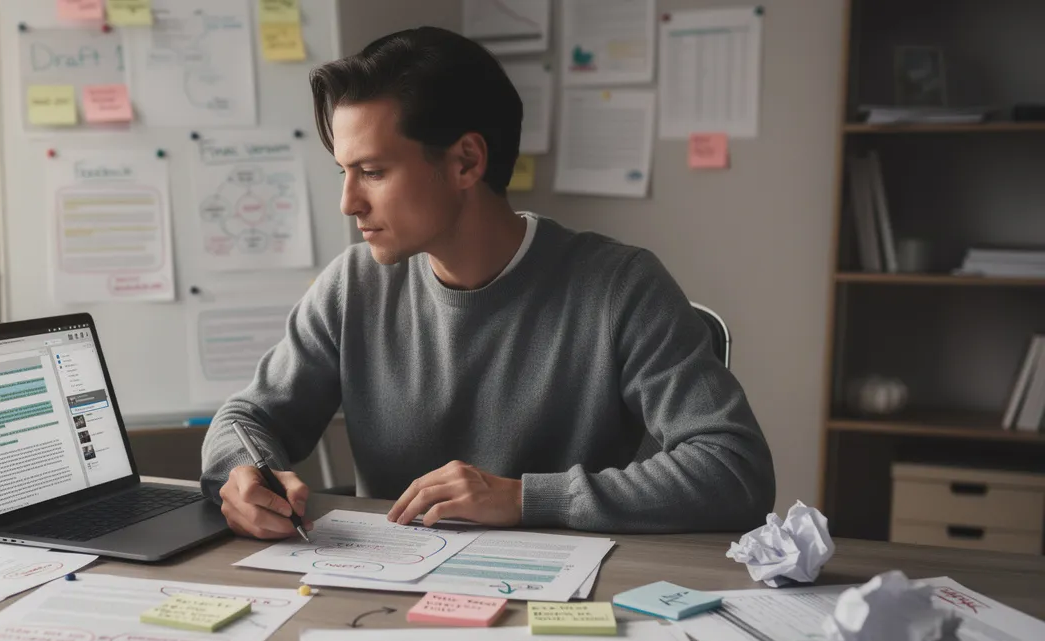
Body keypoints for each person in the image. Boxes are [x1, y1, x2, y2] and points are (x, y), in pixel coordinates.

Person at [199, 26, 775, 540]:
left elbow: (734, 467)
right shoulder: (353, 287)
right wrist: (241, 475)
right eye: (344, 173)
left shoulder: (621, 287)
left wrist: (526, 499)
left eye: (372, 172)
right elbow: (245, 420)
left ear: (467, 162)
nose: (349, 202)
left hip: (563, 599)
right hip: (385, 591)